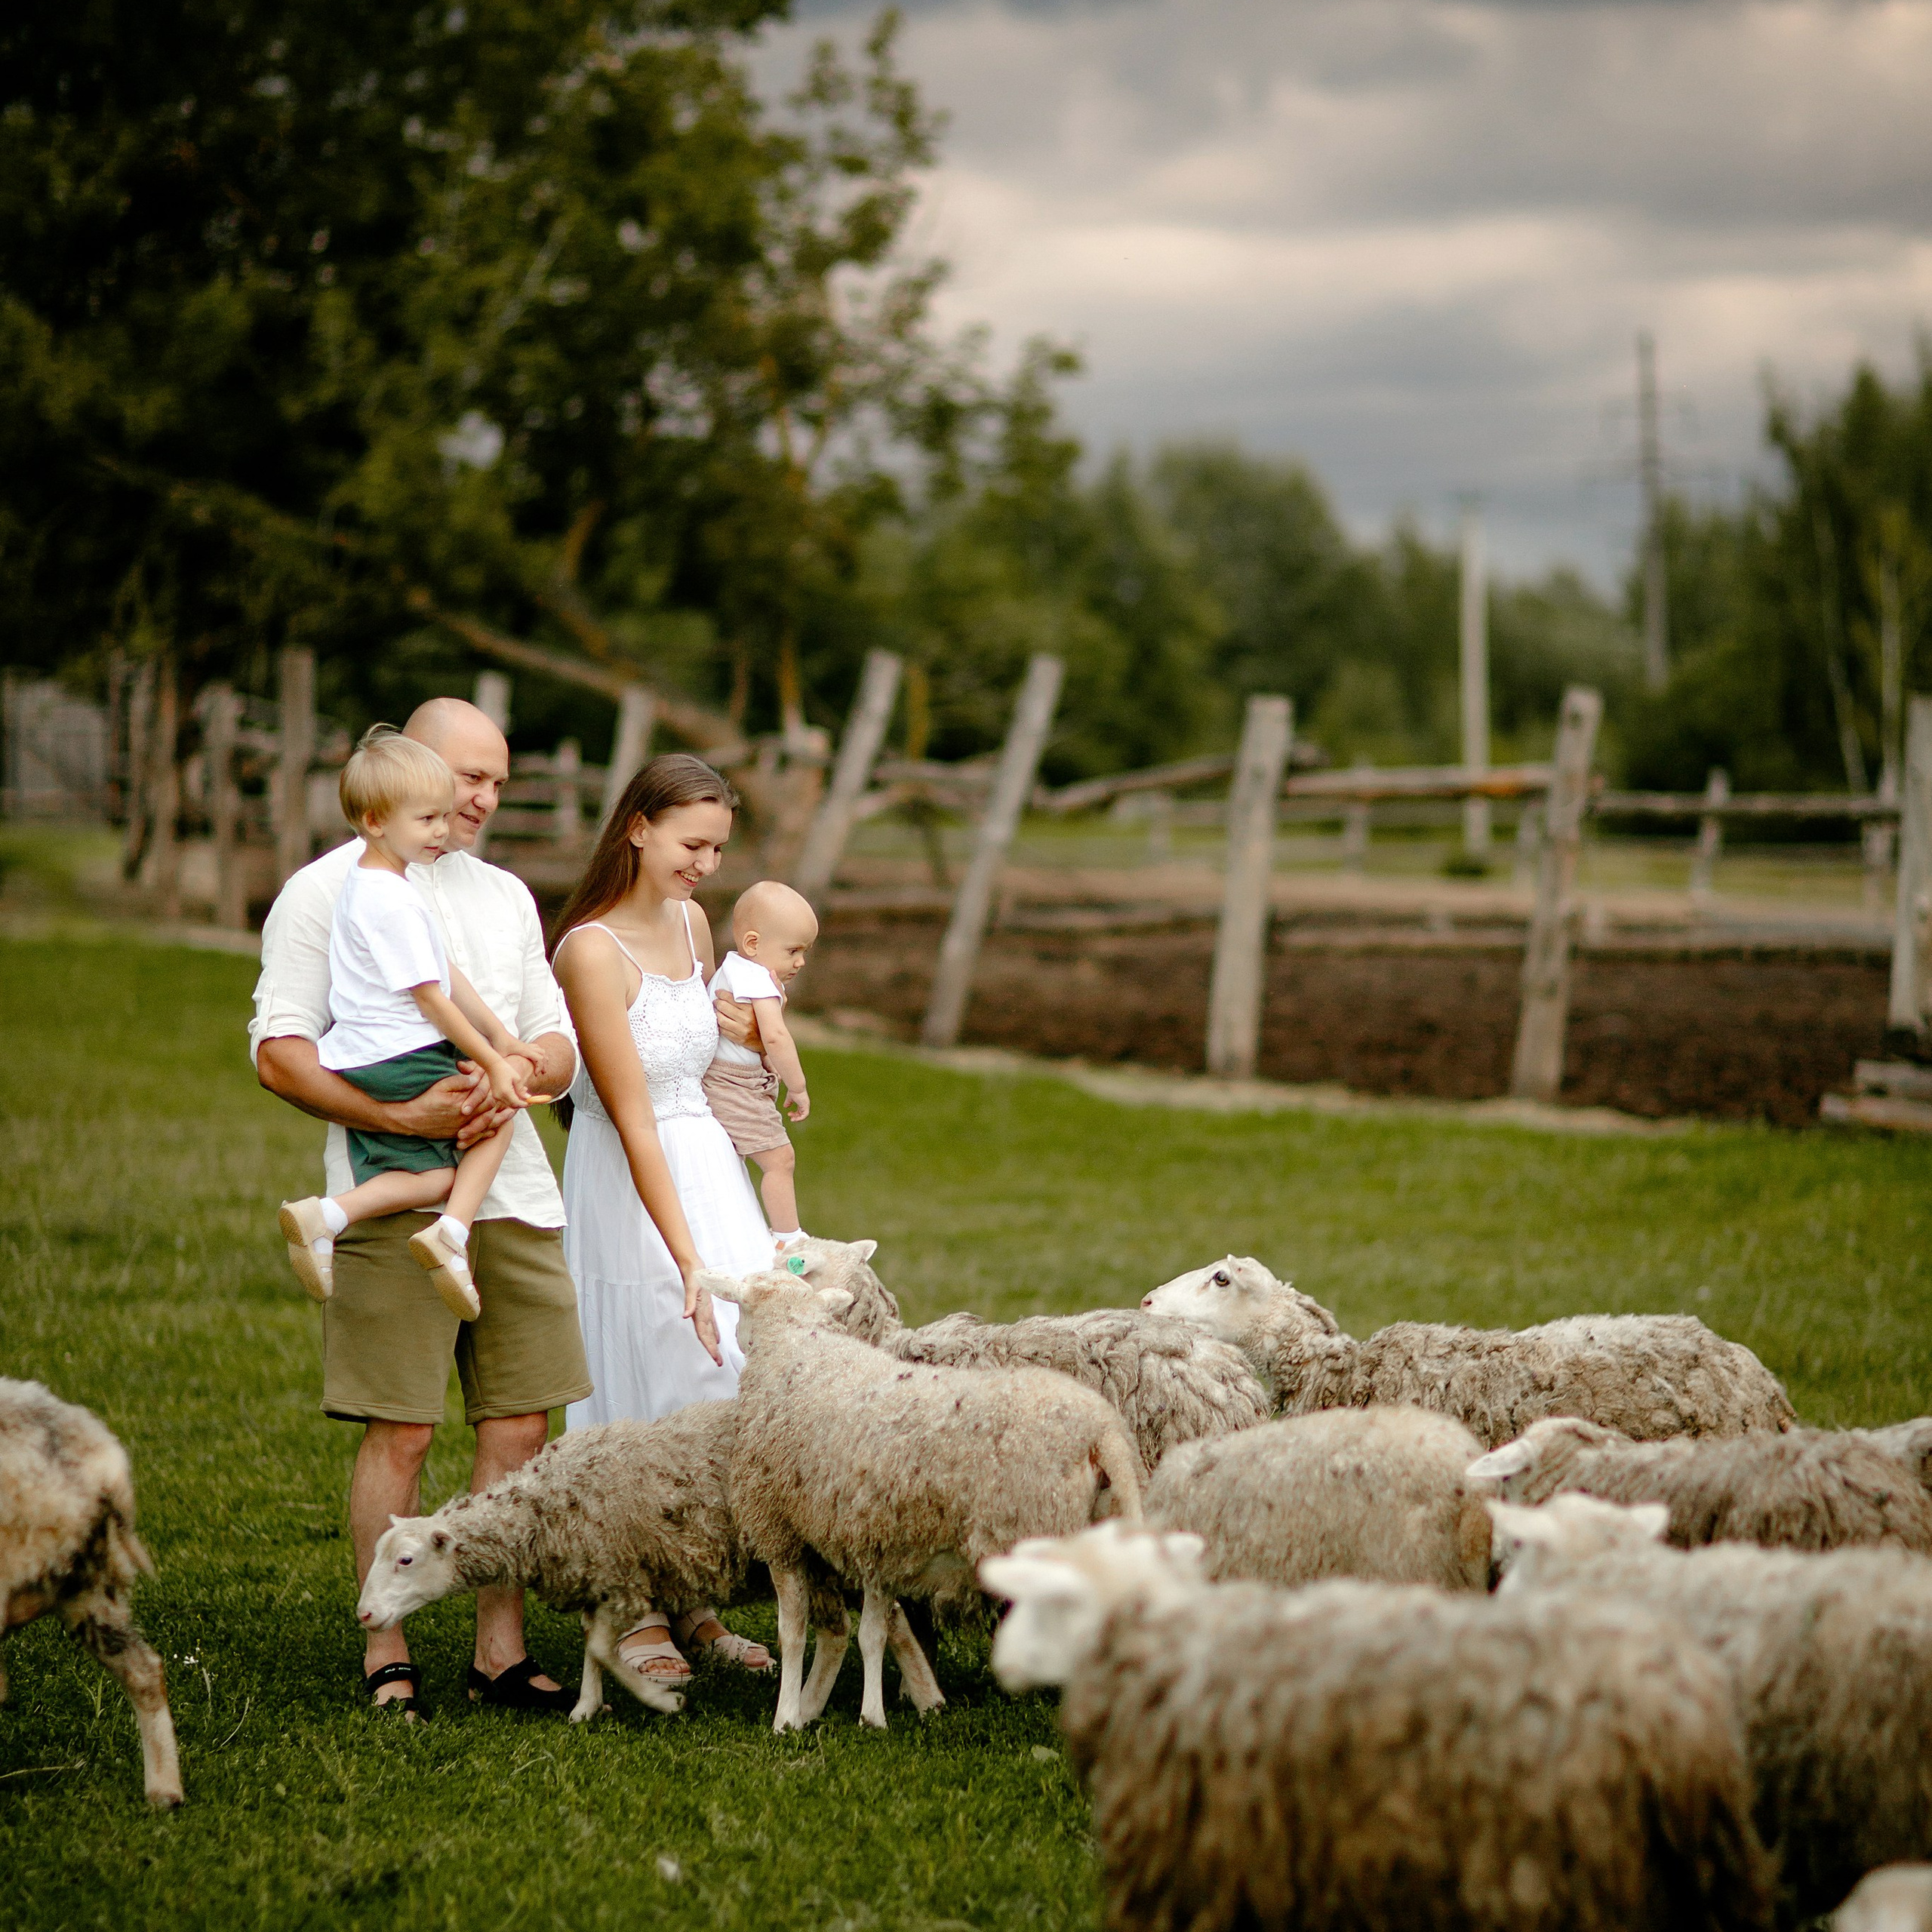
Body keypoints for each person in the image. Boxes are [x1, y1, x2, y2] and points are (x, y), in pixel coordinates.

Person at [251, 697, 590, 1721]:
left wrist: (516, 1070)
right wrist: (397, 1105)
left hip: (515, 1196)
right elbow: (280, 1052)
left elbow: (555, 1042)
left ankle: (500, 1649)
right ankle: (385, 1641)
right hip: (396, 1191)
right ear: (403, 772)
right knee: (401, 1432)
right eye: (463, 778)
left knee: (519, 1426)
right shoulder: (324, 893)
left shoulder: (507, 896)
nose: (481, 800)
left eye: (496, 780)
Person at [549, 754, 780, 1684]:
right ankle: (628, 1605)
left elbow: (707, 1053)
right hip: (629, 1179)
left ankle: (695, 1597)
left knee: (720, 1368)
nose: (706, 866)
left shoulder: (690, 923)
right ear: (637, 827)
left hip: (709, 1165)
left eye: (719, 848)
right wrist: (684, 1254)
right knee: (641, 1363)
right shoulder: (588, 950)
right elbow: (632, 1112)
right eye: (693, 843)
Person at [278, 728, 546, 1318]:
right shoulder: (393, 899)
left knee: (428, 1175)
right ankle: (452, 1234)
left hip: (361, 1055)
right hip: (399, 1052)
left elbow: (443, 969)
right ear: (376, 821)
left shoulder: (371, 885)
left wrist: (503, 1036)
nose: (442, 832)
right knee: (498, 1112)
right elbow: (433, 999)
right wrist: (498, 1063)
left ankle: (327, 1216)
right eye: (428, 820)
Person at [700, 880, 817, 1251]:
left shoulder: (735, 969)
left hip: (733, 1079)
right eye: (793, 951)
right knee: (780, 1158)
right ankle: (788, 1239)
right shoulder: (755, 978)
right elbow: (776, 1037)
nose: (800, 962)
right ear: (753, 944)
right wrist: (797, 1086)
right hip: (734, 1084)